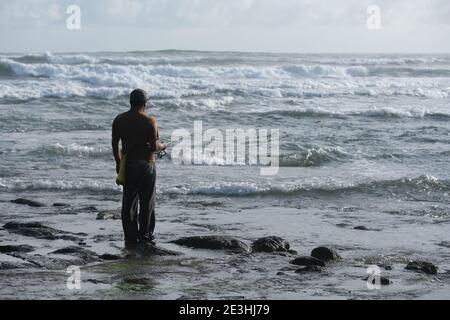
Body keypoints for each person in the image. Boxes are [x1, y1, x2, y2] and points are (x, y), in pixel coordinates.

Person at [112, 89, 166, 248]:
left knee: (128, 202)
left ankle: (130, 237)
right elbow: (154, 147)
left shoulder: (119, 119)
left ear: (130, 102)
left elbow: (115, 143)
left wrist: (118, 162)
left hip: (128, 164)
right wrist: (164, 145)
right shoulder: (150, 121)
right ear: (145, 103)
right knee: (147, 201)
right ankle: (145, 236)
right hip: (146, 165)